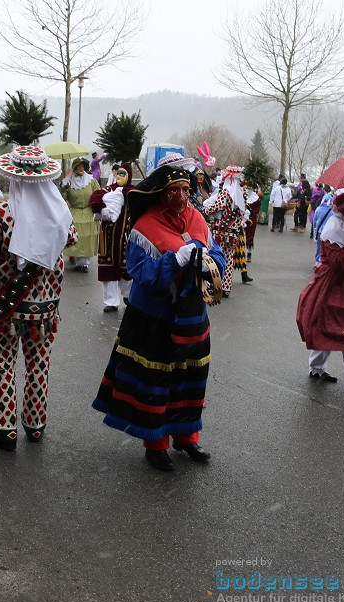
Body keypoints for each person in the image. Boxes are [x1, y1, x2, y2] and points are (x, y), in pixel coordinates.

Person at [91, 158, 226, 472]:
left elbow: (217, 251)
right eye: (174, 190)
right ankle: (155, 443)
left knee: (189, 379)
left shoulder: (197, 219)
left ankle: (186, 436)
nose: (182, 196)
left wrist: (207, 258)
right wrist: (174, 261)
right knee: (156, 379)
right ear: (161, 193)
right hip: (153, 317)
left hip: (193, 315)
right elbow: (140, 272)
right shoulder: (144, 226)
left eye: (185, 189)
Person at [0, 146, 77, 450]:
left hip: (7, 307)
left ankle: (6, 429)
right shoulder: (60, 215)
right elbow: (70, 239)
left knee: (3, 363)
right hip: (45, 310)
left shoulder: (4, 214)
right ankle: (34, 424)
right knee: (38, 364)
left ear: (15, 180)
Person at [296, 191, 344, 395]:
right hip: (332, 287)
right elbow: (338, 262)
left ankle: (321, 369)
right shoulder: (333, 229)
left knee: (333, 329)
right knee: (340, 330)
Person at [203, 165, 255, 294]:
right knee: (228, 259)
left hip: (220, 231)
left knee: (215, 258)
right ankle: (226, 287)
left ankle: (214, 286)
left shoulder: (226, 192)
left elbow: (218, 207)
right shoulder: (241, 195)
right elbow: (242, 213)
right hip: (234, 233)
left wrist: (206, 209)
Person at [89, 162, 134, 312]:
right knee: (108, 268)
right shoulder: (109, 189)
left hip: (125, 235)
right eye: (118, 173)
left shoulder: (133, 191)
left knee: (126, 266)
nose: (119, 176)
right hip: (107, 235)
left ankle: (128, 295)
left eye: (123, 174)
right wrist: (101, 208)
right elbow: (95, 197)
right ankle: (111, 301)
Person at [61, 157, 100, 272]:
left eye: (82, 166)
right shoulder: (68, 181)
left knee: (88, 238)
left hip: (88, 213)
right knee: (77, 237)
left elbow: (98, 195)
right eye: (78, 166)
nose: (81, 168)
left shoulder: (92, 181)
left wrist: (98, 210)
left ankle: (85, 263)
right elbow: (63, 199)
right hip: (75, 213)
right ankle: (78, 261)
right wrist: (63, 188)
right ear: (74, 168)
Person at [244, 185, 262, 264]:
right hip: (242, 218)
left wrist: (251, 214)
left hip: (252, 220)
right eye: (247, 187)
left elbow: (257, 210)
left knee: (250, 237)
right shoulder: (241, 195)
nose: (248, 188)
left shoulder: (256, 198)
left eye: (249, 187)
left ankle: (249, 253)